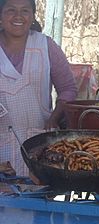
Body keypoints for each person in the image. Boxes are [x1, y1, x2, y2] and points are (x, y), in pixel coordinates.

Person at [0, 0, 77, 176]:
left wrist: (55, 117)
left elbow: (68, 89)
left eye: (25, 11)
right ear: (1, 16)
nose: (18, 16)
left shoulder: (46, 46)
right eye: (11, 10)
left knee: (36, 196)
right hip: (2, 141)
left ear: (33, 16)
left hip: (39, 142)